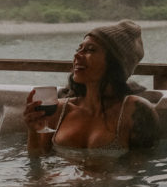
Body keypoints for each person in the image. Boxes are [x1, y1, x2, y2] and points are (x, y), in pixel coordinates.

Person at [24, 19, 159, 156]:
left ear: (114, 64)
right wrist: (33, 132)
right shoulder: (59, 110)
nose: (77, 55)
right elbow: (37, 162)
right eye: (79, 49)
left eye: (90, 50)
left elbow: (141, 169)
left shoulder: (135, 111)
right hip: (57, 177)